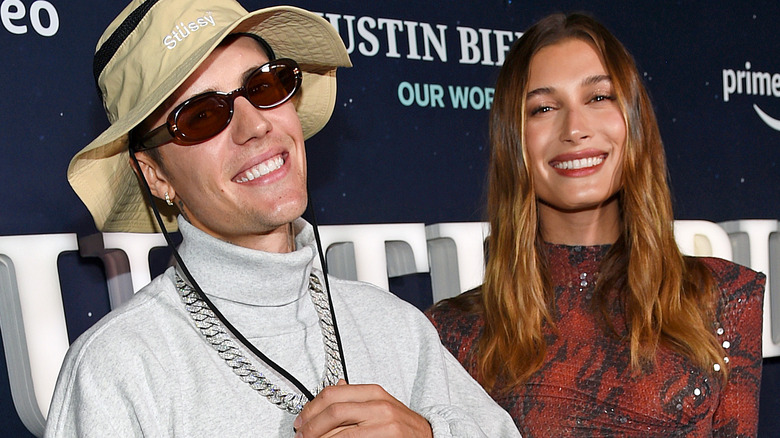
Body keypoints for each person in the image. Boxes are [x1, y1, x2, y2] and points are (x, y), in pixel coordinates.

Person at [44, 0, 521, 437]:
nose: (255, 125)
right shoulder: (115, 370)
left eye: (264, 86)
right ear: (155, 176)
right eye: (201, 116)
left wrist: (429, 434)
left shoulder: (395, 327)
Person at [426, 12, 765, 437]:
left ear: (633, 122)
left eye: (599, 97)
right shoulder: (454, 331)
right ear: (514, 141)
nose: (574, 129)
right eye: (544, 107)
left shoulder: (725, 297)